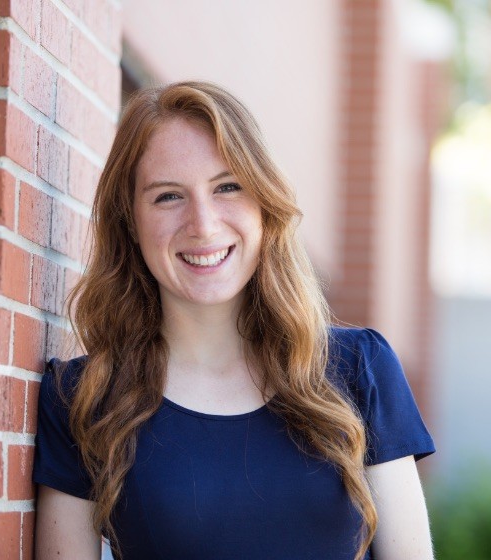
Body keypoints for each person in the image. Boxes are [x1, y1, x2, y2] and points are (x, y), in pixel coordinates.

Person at [33, 81, 435, 560]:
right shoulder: (85, 399)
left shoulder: (358, 369)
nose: (202, 224)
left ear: (264, 205)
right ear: (129, 222)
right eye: (167, 196)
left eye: (228, 187)